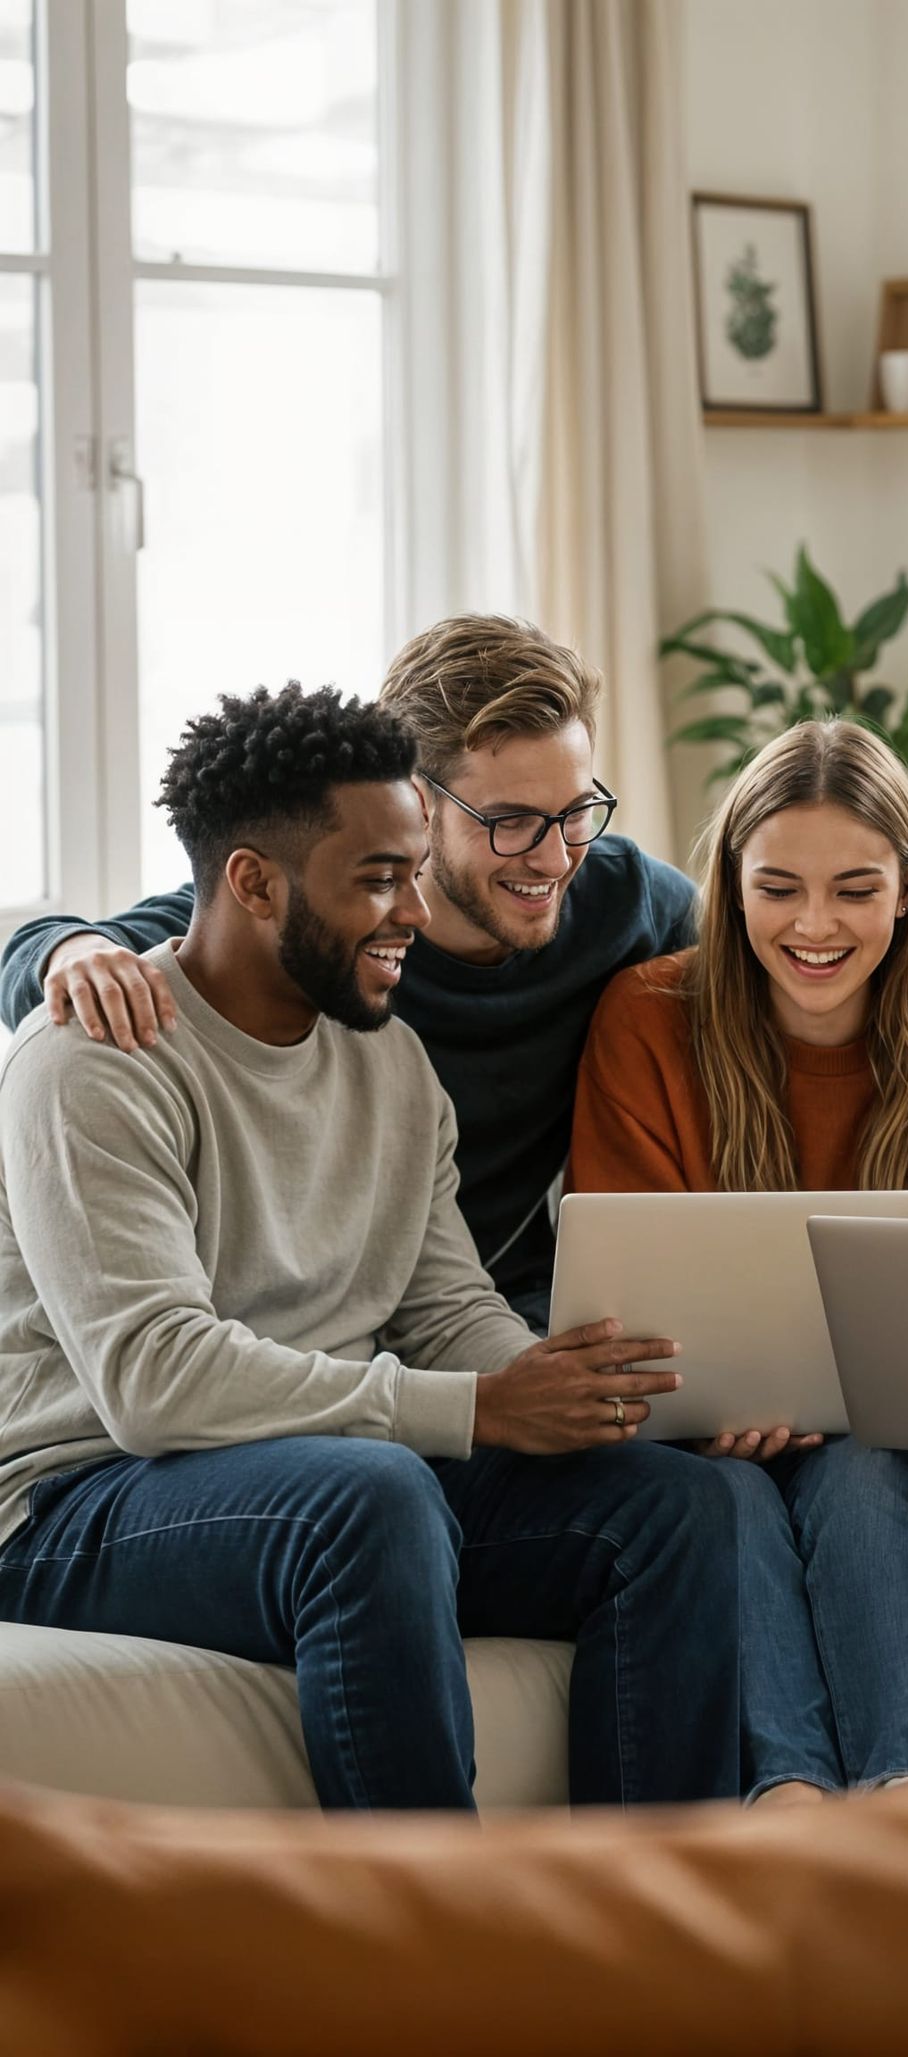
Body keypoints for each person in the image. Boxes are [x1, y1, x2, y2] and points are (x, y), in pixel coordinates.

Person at [0, 682, 742, 1810]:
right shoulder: (95, 1055)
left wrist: (594, 1390)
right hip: (84, 1498)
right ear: (253, 881)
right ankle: (422, 1958)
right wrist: (479, 1411)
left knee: (669, 1505)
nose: (412, 909)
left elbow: (445, 1307)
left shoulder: (387, 1061)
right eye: (377, 880)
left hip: (329, 1470)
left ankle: (645, 1934)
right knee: (375, 1494)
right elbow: (153, 1380)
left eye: (411, 870)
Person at [0, 618, 908, 1334]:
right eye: (509, 819)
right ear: (412, 803)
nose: (553, 855)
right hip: (315, 1322)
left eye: (575, 809)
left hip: (490, 1308)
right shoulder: (337, 922)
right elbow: (108, 941)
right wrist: (66, 949)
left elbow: (787, 942)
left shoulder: (621, 899)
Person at [568, 719, 908, 1800]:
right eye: (778, 886)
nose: (816, 924)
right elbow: (625, 1284)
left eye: (855, 888)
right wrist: (708, 1404)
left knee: (867, 1476)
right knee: (721, 1498)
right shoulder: (648, 1017)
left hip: (900, 1441)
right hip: (702, 1442)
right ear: (731, 886)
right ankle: (788, 1799)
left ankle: (898, 1794)